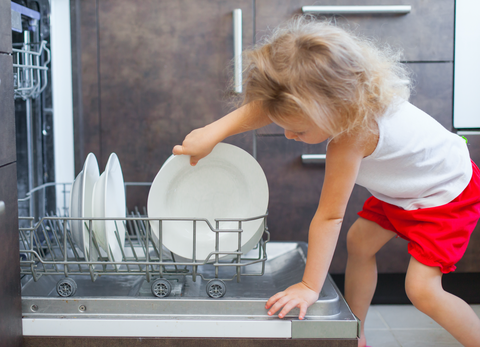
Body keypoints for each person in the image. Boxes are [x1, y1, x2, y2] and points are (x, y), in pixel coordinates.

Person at [172, 17, 480, 347]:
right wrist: (212, 132)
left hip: (445, 195)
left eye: (299, 130)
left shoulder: (352, 139)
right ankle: (356, 333)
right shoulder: (346, 97)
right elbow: (269, 106)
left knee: (421, 291)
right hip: (404, 189)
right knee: (360, 243)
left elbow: (329, 217)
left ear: (334, 111)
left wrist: (309, 286)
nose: (289, 135)